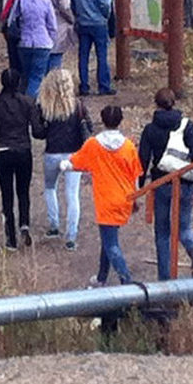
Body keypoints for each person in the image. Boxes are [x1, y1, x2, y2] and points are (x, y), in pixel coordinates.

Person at [63, 105, 142, 286]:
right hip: (124, 197)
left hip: (105, 199)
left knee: (111, 244)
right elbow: (135, 174)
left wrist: (63, 165)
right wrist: (135, 198)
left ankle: (127, 280)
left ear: (103, 120)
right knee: (109, 238)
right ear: (120, 121)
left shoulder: (94, 144)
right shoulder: (128, 146)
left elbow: (75, 162)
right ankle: (101, 277)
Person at [138, 88, 193, 280]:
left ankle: (165, 278)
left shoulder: (150, 129)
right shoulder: (187, 126)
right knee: (184, 227)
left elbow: (143, 159)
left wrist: (140, 186)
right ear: (174, 103)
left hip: (161, 183)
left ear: (156, 105)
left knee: (162, 232)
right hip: (184, 182)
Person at [0, 69, 42, 250]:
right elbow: (37, 131)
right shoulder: (27, 102)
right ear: (18, 83)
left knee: (6, 194)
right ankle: (24, 224)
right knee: (23, 191)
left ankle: (11, 239)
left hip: (4, 151)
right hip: (23, 150)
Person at [34, 69, 91, 250]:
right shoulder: (78, 106)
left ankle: (54, 226)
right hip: (74, 155)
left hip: (52, 153)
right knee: (72, 195)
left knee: (50, 188)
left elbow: (39, 134)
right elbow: (89, 128)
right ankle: (71, 237)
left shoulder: (45, 106)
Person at [68, 0, 114, 96]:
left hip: (82, 22)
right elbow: (105, 2)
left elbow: (69, 2)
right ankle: (103, 86)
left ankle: (84, 86)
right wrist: (105, 15)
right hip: (98, 22)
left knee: (83, 55)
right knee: (102, 55)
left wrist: (76, 15)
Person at [8, 0, 58, 98]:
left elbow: (11, 20)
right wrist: (52, 40)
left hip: (24, 42)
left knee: (25, 74)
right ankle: (31, 104)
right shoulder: (45, 2)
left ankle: (19, 101)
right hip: (42, 42)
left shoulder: (20, 1)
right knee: (37, 77)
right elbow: (52, 25)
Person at [1, 0, 36, 73]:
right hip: (18, 26)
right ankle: (20, 83)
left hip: (8, 25)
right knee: (21, 59)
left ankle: (13, 82)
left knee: (13, 58)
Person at [42, 0, 75, 71]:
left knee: (45, 54)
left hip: (43, 22)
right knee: (56, 55)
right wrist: (71, 19)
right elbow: (65, 6)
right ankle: (54, 81)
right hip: (58, 22)